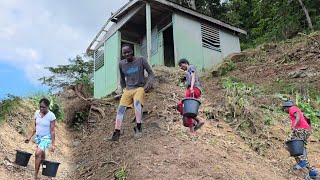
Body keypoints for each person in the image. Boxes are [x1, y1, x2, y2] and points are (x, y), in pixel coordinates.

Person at [110, 44, 155, 141]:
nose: (127, 54)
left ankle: (139, 127)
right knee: (120, 109)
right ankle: (116, 133)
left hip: (139, 87)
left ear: (132, 51)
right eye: (124, 53)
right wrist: (123, 89)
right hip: (128, 89)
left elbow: (151, 73)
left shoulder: (141, 60)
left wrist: (149, 83)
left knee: (137, 103)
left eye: (128, 52)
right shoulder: (121, 64)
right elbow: (122, 79)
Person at [282, 101, 319, 178]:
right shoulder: (298, 109)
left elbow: (298, 116)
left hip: (300, 129)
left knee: (288, 143)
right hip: (306, 130)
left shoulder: (292, 108)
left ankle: (302, 162)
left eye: (284, 109)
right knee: (300, 150)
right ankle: (312, 171)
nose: (284, 111)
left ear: (286, 107)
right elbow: (306, 119)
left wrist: (294, 126)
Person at [25, 98, 56, 180]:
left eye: (44, 107)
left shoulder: (51, 116)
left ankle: (35, 175)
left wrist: (53, 144)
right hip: (38, 137)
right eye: (40, 107)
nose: (42, 109)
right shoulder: (36, 113)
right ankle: (47, 171)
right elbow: (35, 126)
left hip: (46, 137)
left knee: (37, 153)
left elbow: (52, 131)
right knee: (42, 156)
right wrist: (29, 136)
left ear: (48, 107)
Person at [176, 58, 205, 135]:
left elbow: (193, 76)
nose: (181, 68)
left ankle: (193, 127)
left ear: (185, 63)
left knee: (181, 106)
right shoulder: (188, 71)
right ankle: (195, 124)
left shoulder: (190, 67)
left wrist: (191, 87)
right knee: (186, 108)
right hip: (195, 90)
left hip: (194, 89)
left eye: (181, 66)